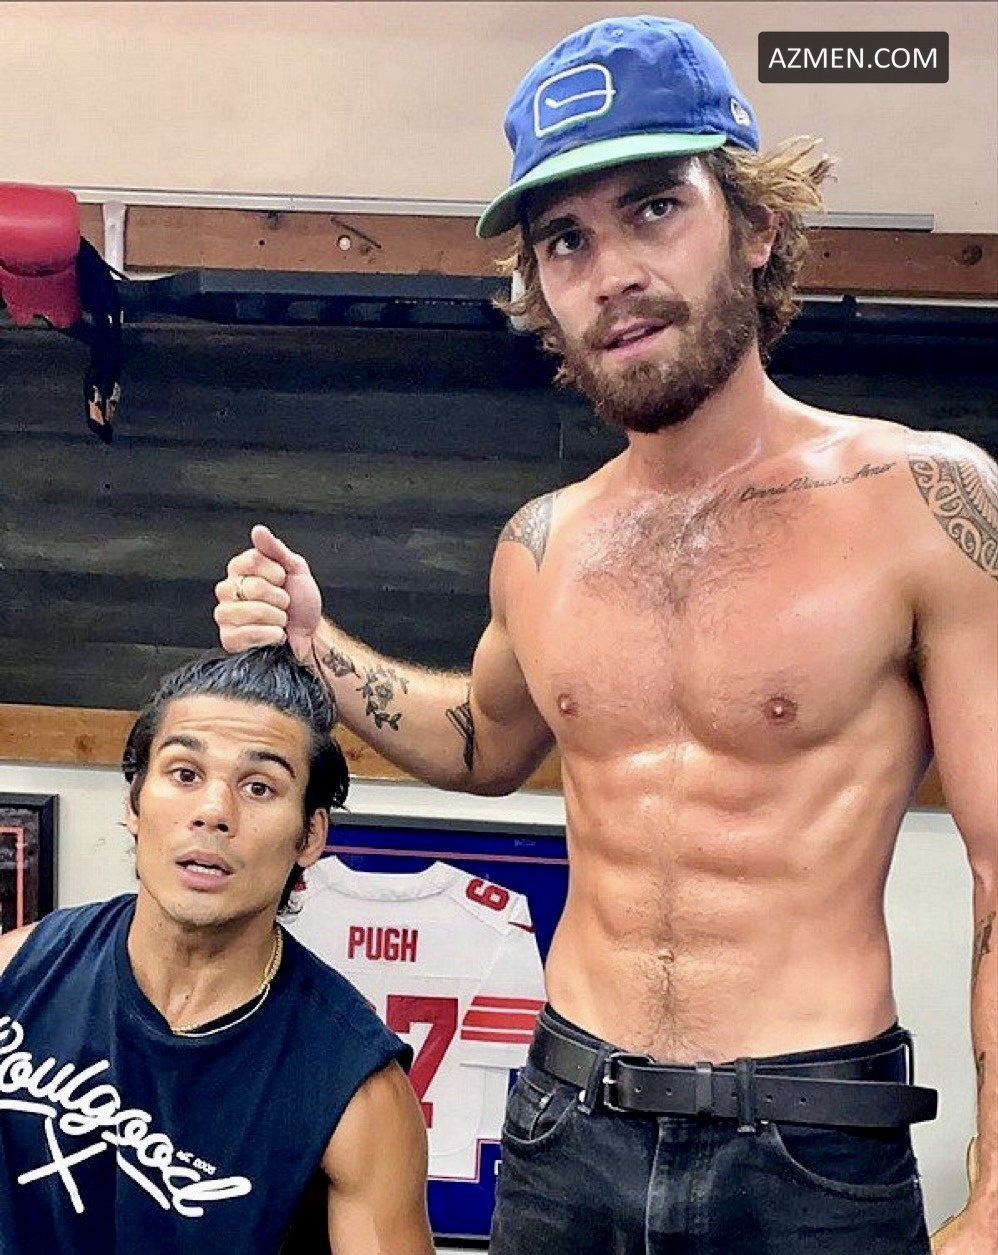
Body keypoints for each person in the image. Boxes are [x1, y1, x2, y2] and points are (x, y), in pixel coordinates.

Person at [213, 15, 997, 1255]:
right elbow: (482, 742)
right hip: (565, 1129)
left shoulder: (922, 504)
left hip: (807, 1147)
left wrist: (996, 1199)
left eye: (653, 209)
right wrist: (318, 644)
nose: (610, 272)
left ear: (754, 224)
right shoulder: (542, 543)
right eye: (565, 240)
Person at [0, 644, 435, 1255]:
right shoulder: (17, 973)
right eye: (185, 774)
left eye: (259, 787)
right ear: (133, 804)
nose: (213, 812)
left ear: (310, 835)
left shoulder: (357, 1090)